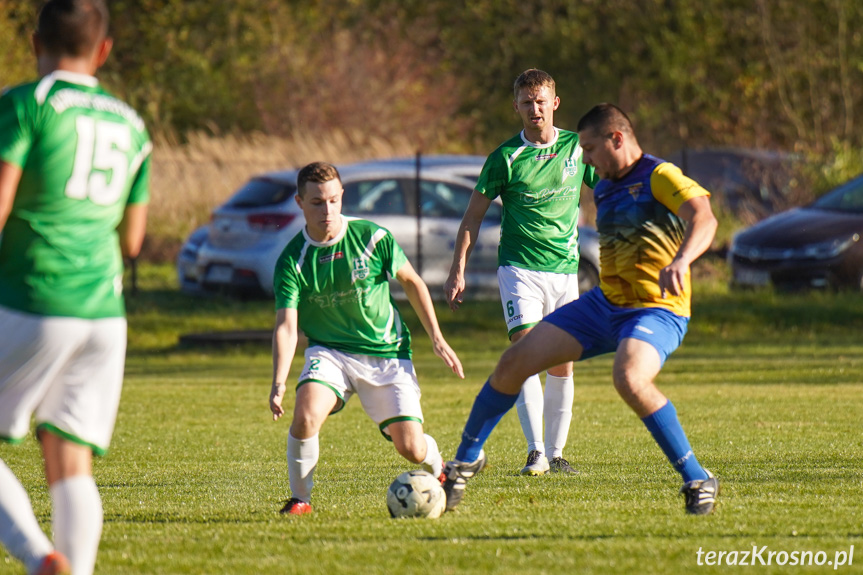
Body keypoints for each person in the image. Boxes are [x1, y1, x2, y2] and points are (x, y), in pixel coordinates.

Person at [442, 103, 720, 515]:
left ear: (617, 139)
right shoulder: (606, 184)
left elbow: (704, 218)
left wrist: (682, 261)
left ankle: (698, 478)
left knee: (628, 377)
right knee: (515, 361)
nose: (584, 159)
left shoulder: (659, 175)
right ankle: (464, 462)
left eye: (590, 149)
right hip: (604, 305)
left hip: (655, 310)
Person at [0, 0, 151, 573]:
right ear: (104, 50)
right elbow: (133, 240)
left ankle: (41, 560)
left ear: (35, 43)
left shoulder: (26, 104)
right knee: (69, 458)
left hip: (33, 296)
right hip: (104, 314)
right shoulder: (132, 123)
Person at [269, 161, 464, 515]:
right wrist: (279, 381)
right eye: (316, 202)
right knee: (306, 415)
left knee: (411, 449)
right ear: (299, 203)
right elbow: (286, 326)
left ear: (342, 197)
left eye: (332, 200)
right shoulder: (292, 261)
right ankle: (301, 500)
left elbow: (412, 282)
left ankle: (442, 470)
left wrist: (436, 337)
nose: (326, 210)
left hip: (387, 353)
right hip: (330, 353)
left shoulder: (372, 237)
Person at [444, 68, 599, 476]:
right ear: (516, 106)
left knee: (562, 363)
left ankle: (558, 452)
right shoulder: (504, 158)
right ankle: (535, 453)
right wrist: (457, 269)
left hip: (566, 272)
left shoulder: (578, 149)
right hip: (519, 270)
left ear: (555, 103)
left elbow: (609, 188)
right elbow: (471, 219)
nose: (535, 109)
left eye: (541, 101)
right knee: (527, 353)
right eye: (527, 103)